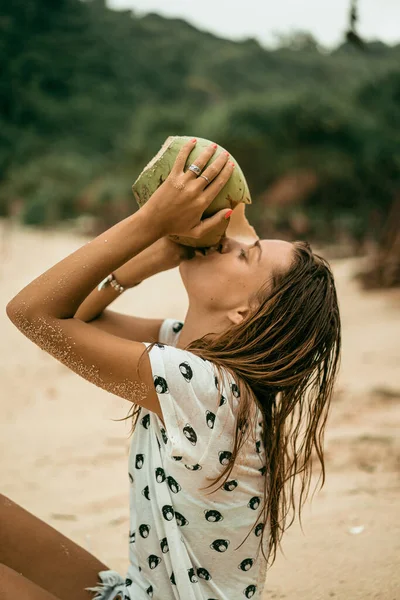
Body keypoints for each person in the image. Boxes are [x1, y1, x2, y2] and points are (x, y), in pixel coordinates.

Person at [3, 140, 341, 600]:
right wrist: (148, 260)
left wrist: (148, 223)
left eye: (246, 254)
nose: (230, 241)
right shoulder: (194, 356)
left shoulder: (204, 386)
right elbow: (78, 316)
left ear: (244, 313)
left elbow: (31, 313)